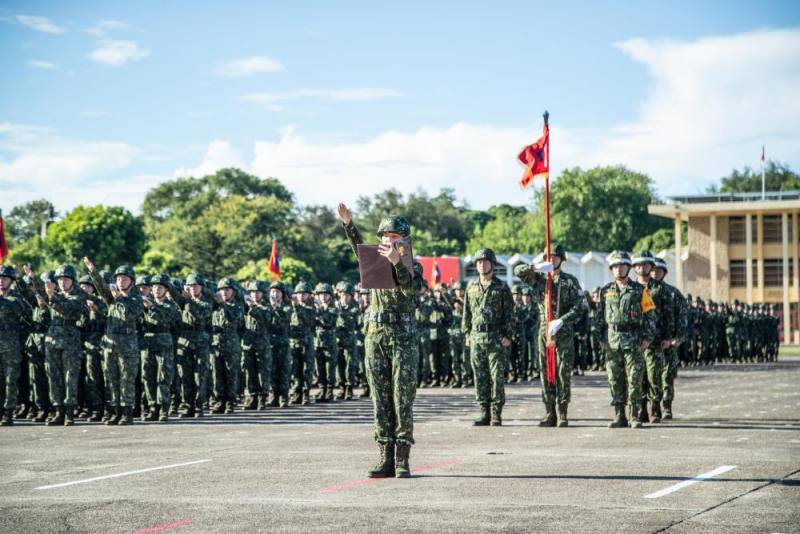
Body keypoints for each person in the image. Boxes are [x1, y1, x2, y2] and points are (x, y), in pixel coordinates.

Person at [337, 202, 418, 479]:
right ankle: (384, 455)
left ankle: (402, 459)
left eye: (394, 237)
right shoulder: (373, 264)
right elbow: (358, 250)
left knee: (402, 397)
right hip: (376, 338)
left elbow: (410, 292)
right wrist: (349, 224)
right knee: (380, 399)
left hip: (402, 339)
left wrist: (397, 265)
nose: (388, 240)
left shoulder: (411, 266)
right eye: (385, 236)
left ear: (404, 241)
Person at [514, 245, 583, 427]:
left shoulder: (570, 281)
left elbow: (580, 307)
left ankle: (562, 412)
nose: (551, 260)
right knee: (546, 372)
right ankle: (549, 411)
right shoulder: (539, 280)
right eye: (548, 257)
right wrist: (535, 267)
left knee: (562, 372)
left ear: (561, 259)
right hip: (544, 328)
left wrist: (563, 320)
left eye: (555, 257)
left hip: (563, 330)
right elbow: (518, 271)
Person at [596, 251, 656, 428]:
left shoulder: (639, 290)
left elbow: (650, 315)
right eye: (615, 266)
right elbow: (599, 317)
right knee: (615, 378)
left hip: (634, 340)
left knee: (635, 379)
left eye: (622, 266)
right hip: (612, 341)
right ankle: (619, 415)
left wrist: (648, 337)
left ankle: (635, 416)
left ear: (628, 268)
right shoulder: (605, 291)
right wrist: (600, 337)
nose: (618, 269)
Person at [85, 260, 144, 426]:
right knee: (111, 379)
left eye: (124, 279)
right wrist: (93, 271)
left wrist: (120, 299)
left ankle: (127, 413)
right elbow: (102, 288)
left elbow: (129, 314)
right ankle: (115, 411)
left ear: (131, 281)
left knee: (127, 379)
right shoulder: (112, 299)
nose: (120, 282)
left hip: (127, 346)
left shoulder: (136, 299)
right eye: (118, 279)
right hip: (110, 346)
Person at [462, 248, 513, 426]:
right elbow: (466, 313)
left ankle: (496, 413)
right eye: (479, 262)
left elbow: (510, 314)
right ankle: (484, 412)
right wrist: (467, 333)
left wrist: (508, 335)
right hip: (476, 337)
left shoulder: (502, 287)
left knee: (497, 376)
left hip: (496, 338)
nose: (482, 264)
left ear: (492, 264)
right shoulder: (471, 287)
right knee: (480, 376)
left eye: (485, 261)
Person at [140, 274, 181, 422]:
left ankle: (163, 407)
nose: (157, 289)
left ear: (166, 289)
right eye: (155, 287)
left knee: (163, 376)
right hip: (148, 342)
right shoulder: (143, 304)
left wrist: (153, 307)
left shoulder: (171, 306)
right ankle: (152, 407)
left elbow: (169, 319)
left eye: (161, 287)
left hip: (164, 342)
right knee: (148, 376)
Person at [0, 265, 31, 426]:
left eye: (4, 278)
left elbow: (18, 308)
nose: (1, 281)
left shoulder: (15, 298)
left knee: (10, 380)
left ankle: (8, 411)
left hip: (10, 345)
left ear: (11, 281)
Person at [242, 280, 273, 410]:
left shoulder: (266, 307)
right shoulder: (245, 306)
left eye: (257, 292)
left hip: (262, 344)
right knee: (250, 371)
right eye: (252, 292)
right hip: (248, 343)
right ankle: (252, 396)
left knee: (263, 371)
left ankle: (262, 397)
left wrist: (252, 307)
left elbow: (264, 318)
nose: (255, 294)